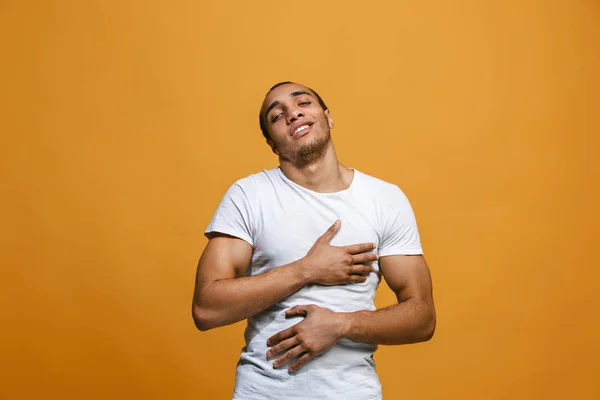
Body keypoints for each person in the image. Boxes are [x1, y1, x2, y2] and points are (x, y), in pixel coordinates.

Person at [192, 81, 436, 400]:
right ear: (272, 144)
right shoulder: (248, 196)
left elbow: (422, 317)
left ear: (327, 116)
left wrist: (342, 325)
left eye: (302, 103)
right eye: (276, 116)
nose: (292, 113)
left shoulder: (385, 199)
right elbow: (206, 308)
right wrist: (306, 270)